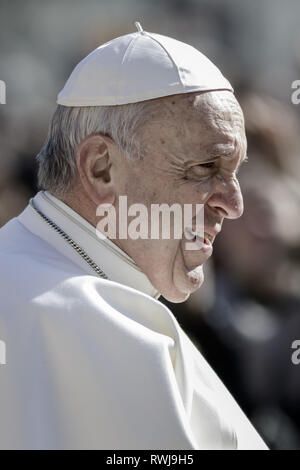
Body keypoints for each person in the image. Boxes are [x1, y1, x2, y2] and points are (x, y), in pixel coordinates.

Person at [0, 22, 267, 450]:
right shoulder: (102, 323)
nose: (233, 204)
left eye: (235, 172)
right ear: (101, 169)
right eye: (205, 168)